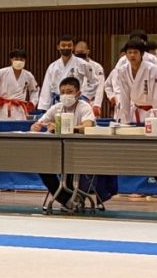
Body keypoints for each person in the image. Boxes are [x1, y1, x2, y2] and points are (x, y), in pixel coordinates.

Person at [112, 39, 157, 219]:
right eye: (129, 52)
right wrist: (124, 121)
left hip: (153, 115)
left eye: (135, 52)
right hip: (134, 115)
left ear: (142, 54)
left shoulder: (152, 69)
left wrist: (156, 119)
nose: (132, 56)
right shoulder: (122, 71)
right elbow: (124, 97)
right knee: (144, 162)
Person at [30, 77, 96, 209]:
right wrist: (36, 126)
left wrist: (64, 128)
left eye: (69, 92)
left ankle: (75, 198)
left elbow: (88, 126)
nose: (66, 95)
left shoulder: (84, 107)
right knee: (42, 167)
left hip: (80, 151)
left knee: (71, 168)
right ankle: (66, 200)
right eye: (63, 92)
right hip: (58, 151)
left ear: (78, 93)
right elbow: (40, 123)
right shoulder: (57, 108)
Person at [38, 35, 89, 109]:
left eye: (69, 45)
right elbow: (47, 88)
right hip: (58, 103)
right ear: (58, 47)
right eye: (63, 45)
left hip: (76, 101)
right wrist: (44, 107)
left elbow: (93, 81)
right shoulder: (52, 67)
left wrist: (86, 96)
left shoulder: (82, 64)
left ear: (73, 47)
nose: (66, 47)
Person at [0, 49, 38, 120]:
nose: (19, 61)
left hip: (20, 110)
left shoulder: (28, 75)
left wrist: (32, 102)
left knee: (19, 130)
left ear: (25, 61)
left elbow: (35, 90)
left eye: (22, 59)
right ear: (11, 59)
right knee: (1, 130)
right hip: (3, 108)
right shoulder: (2, 72)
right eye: (16, 59)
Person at [74, 39, 105, 115]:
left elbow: (100, 86)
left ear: (87, 52)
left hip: (91, 102)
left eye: (81, 52)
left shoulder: (97, 67)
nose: (79, 54)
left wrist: (97, 105)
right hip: (76, 101)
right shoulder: (72, 66)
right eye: (77, 52)